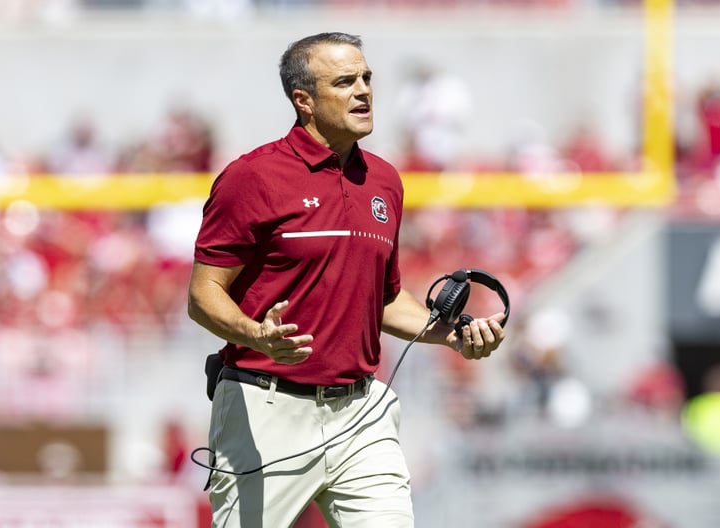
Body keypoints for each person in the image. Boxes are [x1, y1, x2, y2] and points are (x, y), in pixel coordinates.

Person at [188, 32, 506, 527]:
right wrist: (257, 336)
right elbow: (203, 295)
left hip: (362, 412)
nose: (363, 91)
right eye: (344, 82)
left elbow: (384, 300)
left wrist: (454, 336)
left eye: (366, 78)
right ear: (304, 101)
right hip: (266, 406)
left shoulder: (384, 180)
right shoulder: (252, 178)